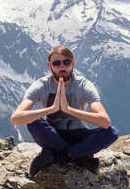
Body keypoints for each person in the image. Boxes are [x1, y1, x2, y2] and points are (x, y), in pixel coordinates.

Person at [11, 46, 119, 177]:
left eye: (66, 62)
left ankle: (58, 154)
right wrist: (51, 109)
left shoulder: (83, 85)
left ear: (72, 63)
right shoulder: (41, 85)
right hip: (53, 135)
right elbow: (16, 118)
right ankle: (79, 156)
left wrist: (69, 109)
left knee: (111, 132)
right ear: (49, 65)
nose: (62, 67)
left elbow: (105, 121)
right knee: (33, 121)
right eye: (56, 63)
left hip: (79, 135)